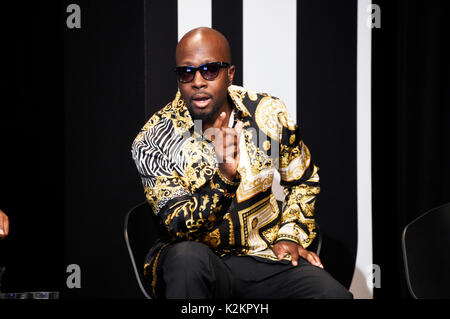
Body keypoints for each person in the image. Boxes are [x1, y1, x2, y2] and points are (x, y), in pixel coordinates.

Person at [131, 27, 352, 299]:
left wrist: (290, 235)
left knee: (332, 295)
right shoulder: (155, 138)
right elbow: (177, 226)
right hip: (197, 262)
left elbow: (303, 181)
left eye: (210, 70)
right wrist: (224, 176)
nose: (198, 81)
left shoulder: (266, 115)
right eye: (186, 72)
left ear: (230, 74)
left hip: (262, 256)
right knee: (187, 258)